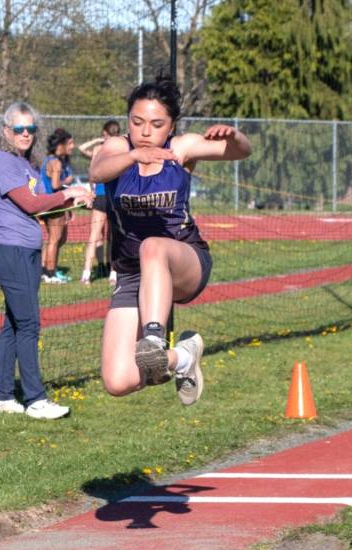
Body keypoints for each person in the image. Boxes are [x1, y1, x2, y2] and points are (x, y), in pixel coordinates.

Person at [89, 78, 251, 406]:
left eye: (156, 124)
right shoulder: (120, 149)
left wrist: (234, 135)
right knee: (117, 381)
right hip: (133, 274)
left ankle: (153, 338)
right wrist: (135, 156)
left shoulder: (181, 148)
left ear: (171, 126)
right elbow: (97, 172)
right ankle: (183, 357)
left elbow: (240, 152)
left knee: (153, 245)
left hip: (183, 261)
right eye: (137, 122)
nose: (145, 132)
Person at [0, 103, 93, 419]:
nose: (25, 134)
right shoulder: (2, 162)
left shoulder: (26, 165)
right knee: (29, 323)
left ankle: (2, 396)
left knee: (14, 323)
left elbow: (41, 208)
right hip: (10, 250)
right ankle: (35, 399)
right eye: (18, 129)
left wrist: (76, 200)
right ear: (6, 132)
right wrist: (68, 192)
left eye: (30, 129)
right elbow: (31, 203)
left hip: (27, 250)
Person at [77, 119, 120, 285]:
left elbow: (91, 172)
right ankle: (113, 275)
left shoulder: (98, 149)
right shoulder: (122, 149)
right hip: (114, 197)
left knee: (94, 235)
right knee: (113, 237)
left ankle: (86, 274)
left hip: (101, 196)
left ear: (105, 134)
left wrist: (92, 189)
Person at [38, 128, 76, 284]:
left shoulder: (49, 159)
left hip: (47, 203)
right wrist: (66, 182)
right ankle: (50, 274)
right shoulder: (56, 163)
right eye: (70, 143)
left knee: (56, 239)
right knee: (55, 239)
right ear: (61, 144)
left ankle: (44, 269)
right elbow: (55, 185)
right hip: (53, 204)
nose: (73, 146)